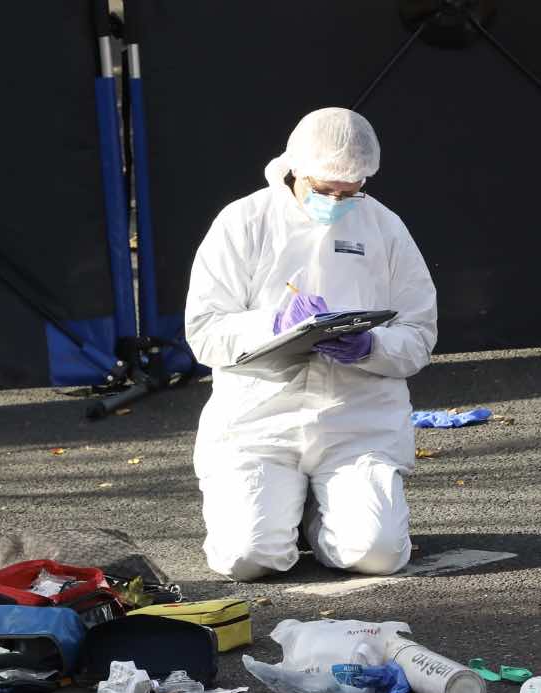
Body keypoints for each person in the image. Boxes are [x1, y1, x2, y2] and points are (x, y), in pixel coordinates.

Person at [184, 107, 438, 581]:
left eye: (349, 192)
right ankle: (285, 508)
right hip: (258, 420)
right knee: (246, 557)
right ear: (294, 168)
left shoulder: (384, 227)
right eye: (323, 190)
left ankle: (315, 516)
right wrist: (273, 326)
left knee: (377, 554)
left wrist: (370, 347)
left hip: (356, 420)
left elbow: (419, 334)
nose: (336, 201)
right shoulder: (244, 221)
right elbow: (204, 331)